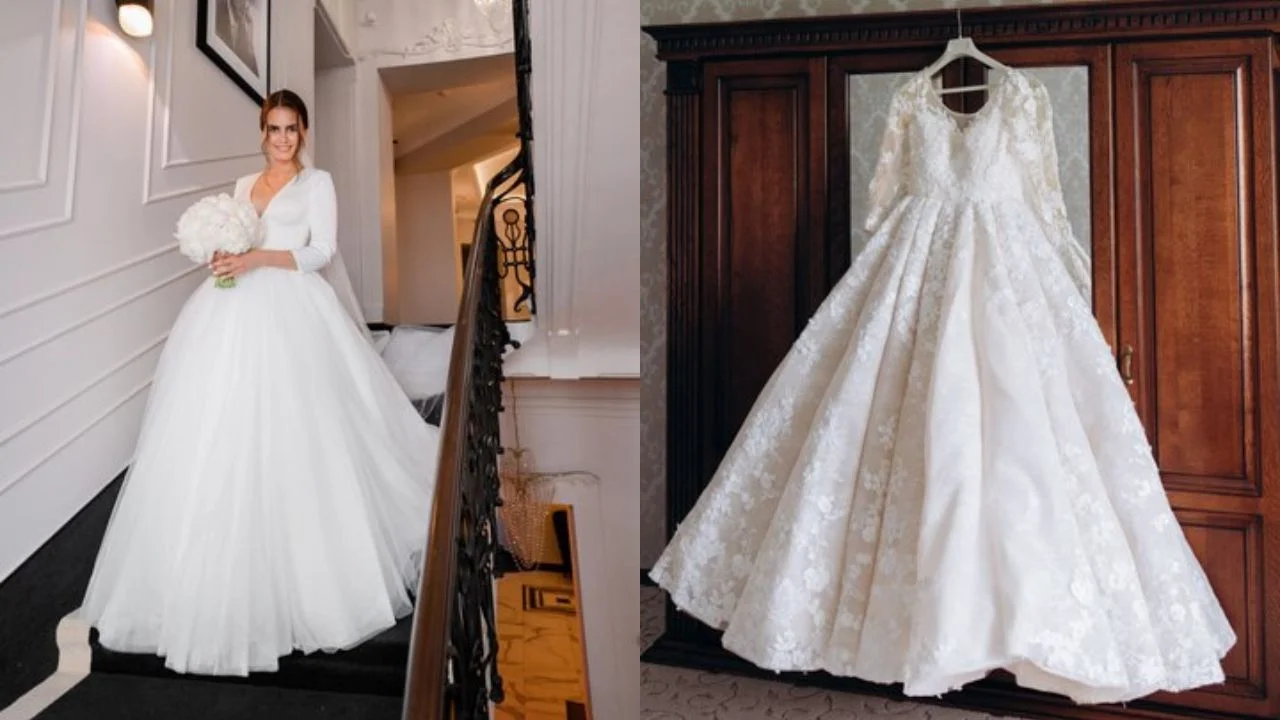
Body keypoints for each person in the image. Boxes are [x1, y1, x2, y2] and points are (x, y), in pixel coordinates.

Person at [649, 66, 1235, 704]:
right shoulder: (909, 100)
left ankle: (1009, 629)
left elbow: (1042, 203)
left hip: (1006, 282)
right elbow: (885, 207)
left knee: (1020, 456)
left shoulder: (1023, 98)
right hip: (916, 275)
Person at [78, 89, 440, 676]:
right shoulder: (245, 185)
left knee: (300, 427)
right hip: (232, 308)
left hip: (295, 308)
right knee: (217, 426)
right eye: (273, 129)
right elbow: (239, 242)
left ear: (304, 132)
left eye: (291, 129)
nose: (282, 139)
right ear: (261, 131)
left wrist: (254, 262)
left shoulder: (316, 184)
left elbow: (320, 252)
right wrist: (222, 257)